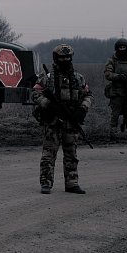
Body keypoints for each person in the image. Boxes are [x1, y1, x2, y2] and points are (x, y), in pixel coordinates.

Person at [32, 44, 94, 194]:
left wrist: (82, 109)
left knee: (71, 153)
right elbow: (34, 94)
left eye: (68, 57)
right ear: (56, 59)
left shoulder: (78, 78)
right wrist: (48, 105)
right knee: (48, 154)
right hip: (52, 121)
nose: (65, 60)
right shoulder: (47, 78)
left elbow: (88, 95)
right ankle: (46, 183)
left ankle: (72, 183)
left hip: (71, 121)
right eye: (62, 58)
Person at [104, 38, 127, 143]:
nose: (122, 49)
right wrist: (119, 77)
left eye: (124, 47)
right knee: (115, 114)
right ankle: (113, 136)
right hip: (117, 91)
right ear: (117, 48)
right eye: (120, 47)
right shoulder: (112, 60)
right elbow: (108, 74)